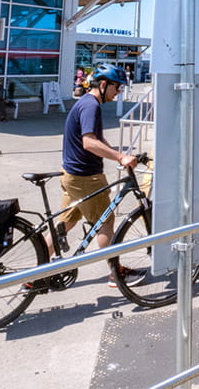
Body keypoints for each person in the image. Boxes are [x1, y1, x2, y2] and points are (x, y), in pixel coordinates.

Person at [56, 63, 137, 286]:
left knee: (66, 224)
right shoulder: (91, 106)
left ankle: (33, 276)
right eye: (116, 87)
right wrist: (120, 158)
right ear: (103, 84)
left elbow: (97, 140)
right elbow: (89, 142)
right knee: (105, 222)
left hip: (73, 175)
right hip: (85, 176)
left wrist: (118, 153)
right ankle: (116, 274)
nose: (118, 92)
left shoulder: (86, 103)